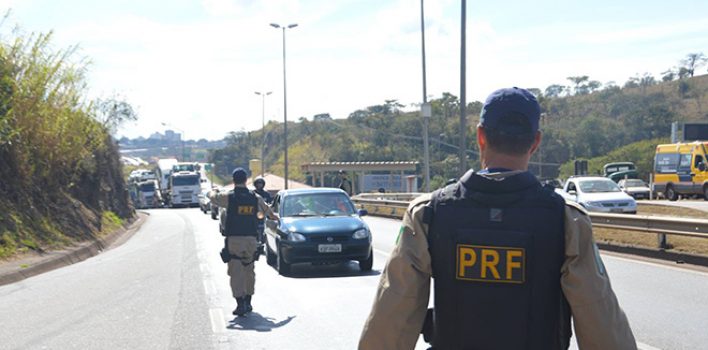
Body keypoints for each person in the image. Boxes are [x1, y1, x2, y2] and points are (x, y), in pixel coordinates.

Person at [359, 87, 636, 349]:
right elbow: (602, 323)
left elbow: (391, 318)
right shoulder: (566, 220)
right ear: (535, 142)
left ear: (480, 136)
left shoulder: (428, 213)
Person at [209, 168, 278, 317]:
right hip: (251, 240)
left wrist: (213, 191)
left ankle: (240, 304)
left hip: (235, 239)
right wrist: (277, 219)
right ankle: (248, 301)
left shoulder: (229, 197)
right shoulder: (255, 197)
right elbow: (269, 213)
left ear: (234, 180)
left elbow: (213, 198)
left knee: (236, 272)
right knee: (249, 270)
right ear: (246, 180)